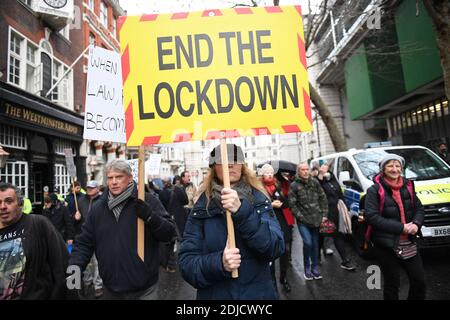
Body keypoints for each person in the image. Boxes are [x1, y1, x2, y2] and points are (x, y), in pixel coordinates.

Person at [178, 144, 285, 300]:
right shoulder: (202, 206)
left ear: (242, 165)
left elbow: (275, 248)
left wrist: (243, 212)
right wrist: (219, 263)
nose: (230, 164)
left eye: (235, 159)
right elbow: (187, 264)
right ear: (214, 167)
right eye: (223, 160)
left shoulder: (259, 199)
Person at [68, 160, 177, 300]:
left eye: (119, 177)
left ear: (130, 178)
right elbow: (84, 243)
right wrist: (74, 271)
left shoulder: (147, 201)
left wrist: (150, 217)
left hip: (144, 290)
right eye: (110, 178)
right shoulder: (98, 209)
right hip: (111, 289)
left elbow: (168, 234)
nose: (114, 182)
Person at [365, 154, 426, 300]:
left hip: (409, 242)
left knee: (419, 281)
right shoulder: (374, 190)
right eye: (390, 166)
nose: (395, 169)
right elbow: (372, 217)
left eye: (398, 166)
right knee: (392, 284)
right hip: (386, 244)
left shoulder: (408, 186)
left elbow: (419, 209)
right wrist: (402, 228)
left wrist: (416, 224)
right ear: (383, 169)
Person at [0, 183, 68, 299]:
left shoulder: (38, 224)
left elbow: (64, 265)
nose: (3, 207)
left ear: (20, 204)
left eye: (9, 201)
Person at [288, 163, 328, 281]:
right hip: (303, 221)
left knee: (315, 245)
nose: (305, 171)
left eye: (307, 169)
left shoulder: (314, 182)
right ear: (298, 172)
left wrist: (324, 215)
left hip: (317, 219)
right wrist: (300, 217)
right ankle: (307, 267)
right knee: (308, 243)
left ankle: (315, 267)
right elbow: (292, 204)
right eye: (302, 170)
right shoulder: (294, 185)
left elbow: (323, 198)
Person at [316, 163, 356, 271]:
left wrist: (346, 208)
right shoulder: (318, 181)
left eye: (327, 169)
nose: (325, 171)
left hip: (337, 212)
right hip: (326, 213)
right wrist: (321, 174)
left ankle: (345, 261)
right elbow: (318, 186)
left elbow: (340, 194)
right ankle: (317, 257)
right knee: (322, 235)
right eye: (323, 169)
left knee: (338, 235)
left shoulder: (333, 179)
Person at [260, 164, 292, 293]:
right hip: (267, 223)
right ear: (262, 174)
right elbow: (255, 206)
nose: (269, 175)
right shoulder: (258, 188)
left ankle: (283, 278)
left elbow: (287, 203)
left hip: (281, 222)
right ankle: (272, 281)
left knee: (285, 250)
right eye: (266, 173)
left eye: (271, 173)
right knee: (270, 255)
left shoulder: (277, 186)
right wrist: (270, 205)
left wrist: (281, 203)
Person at [77, 180, 103, 298]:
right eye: (88, 188)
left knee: (97, 261)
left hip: (99, 235)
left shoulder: (103, 201)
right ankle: (87, 282)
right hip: (85, 235)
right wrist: (75, 217)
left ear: (97, 189)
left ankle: (98, 286)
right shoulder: (81, 200)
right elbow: (72, 219)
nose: (89, 190)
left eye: (92, 188)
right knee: (86, 262)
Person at [158, 177, 177, 273]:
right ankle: (171, 264)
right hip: (173, 218)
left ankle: (167, 263)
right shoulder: (174, 191)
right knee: (172, 243)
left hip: (165, 218)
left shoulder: (162, 193)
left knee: (167, 243)